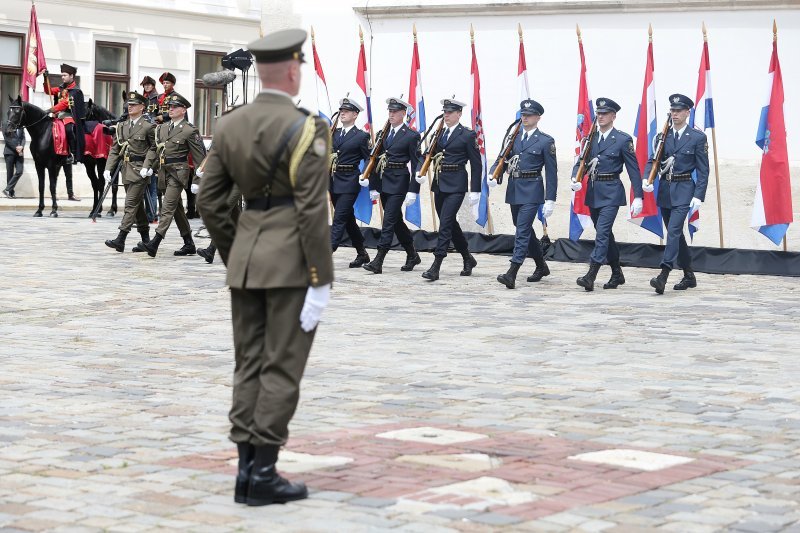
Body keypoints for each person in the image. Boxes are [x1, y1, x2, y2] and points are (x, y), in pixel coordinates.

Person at [197, 28, 333, 506]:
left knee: (248, 362)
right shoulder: (308, 126)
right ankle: (265, 474)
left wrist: (238, 249)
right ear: (293, 71)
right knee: (282, 365)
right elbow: (313, 209)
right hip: (292, 263)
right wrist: (321, 277)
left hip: (247, 258)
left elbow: (209, 201)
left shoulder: (230, 124)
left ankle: (243, 472)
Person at [570, 97, 643, 291]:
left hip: (611, 191)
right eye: (598, 113)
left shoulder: (622, 139)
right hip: (594, 191)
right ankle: (617, 273)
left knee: (601, 232)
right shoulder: (590, 138)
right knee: (606, 235)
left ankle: (591, 274)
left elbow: (633, 169)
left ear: (613, 116)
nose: (600, 117)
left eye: (604, 114)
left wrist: (638, 196)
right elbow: (581, 162)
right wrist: (575, 178)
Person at [644, 93, 709, 294]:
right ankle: (689, 275)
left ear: (687, 112)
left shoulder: (697, 137)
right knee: (676, 235)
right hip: (665, 190)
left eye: (679, 110)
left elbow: (703, 169)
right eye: (672, 110)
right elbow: (652, 161)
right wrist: (647, 179)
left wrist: (699, 195)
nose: (675, 114)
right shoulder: (662, 137)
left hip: (684, 190)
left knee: (672, 231)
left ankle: (663, 273)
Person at [490, 99, 557, 289]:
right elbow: (502, 157)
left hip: (532, 189)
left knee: (521, 230)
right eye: (523, 115)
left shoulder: (545, 141)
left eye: (529, 115)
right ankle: (541, 266)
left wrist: (550, 198)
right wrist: (493, 173)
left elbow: (552, 172)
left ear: (538, 117)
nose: (525, 118)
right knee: (523, 228)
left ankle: (512, 271)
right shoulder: (514, 137)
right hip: (514, 188)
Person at [414, 97, 480, 281]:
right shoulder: (439, 133)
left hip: (457, 184)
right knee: (449, 223)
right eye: (445, 112)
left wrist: (475, 190)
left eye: (450, 112)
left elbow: (476, 164)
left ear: (459, 114)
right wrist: (420, 170)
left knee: (445, 224)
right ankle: (467, 257)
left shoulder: (467, 135)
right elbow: (428, 154)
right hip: (439, 183)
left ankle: (436, 265)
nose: (446, 115)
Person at [362, 97, 421, 274]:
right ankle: (412, 255)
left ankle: (378, 260)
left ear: (403, 114)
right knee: (396, 221)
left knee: (388, 221)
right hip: (383, 180)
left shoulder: (411, 136)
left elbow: (417, 163)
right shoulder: (382, 134)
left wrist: (413, 190)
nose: (392, 114)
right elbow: (374, 160)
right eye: (390, 111)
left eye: (395, 111)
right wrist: (373, 185)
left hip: (399, 181)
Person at [142, 93, 206, 257]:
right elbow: (156, 150)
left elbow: (200, 158)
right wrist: (148, 166)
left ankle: (155, 241)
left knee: (167, 206)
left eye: (174, 107)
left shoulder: (190, 130)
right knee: (176, 208)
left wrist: (198, 180)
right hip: (163, 172)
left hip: (178, 173)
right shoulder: (162, 128)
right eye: (169, 107)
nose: (170, 109)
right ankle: (189, 243)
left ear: (183, 110)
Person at [103, 92, 157, 252]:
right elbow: (115, 149)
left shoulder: (148, 126)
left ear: (142, 107)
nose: (130, 106)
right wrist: (108, 168)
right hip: (126, 169)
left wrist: (148, 166)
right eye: (129, 104)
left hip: (140, 170)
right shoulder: (122, 126)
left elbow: (155, 148)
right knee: (137, 206)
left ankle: (121, 239)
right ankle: (146, 240)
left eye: (133, 104)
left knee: (130, 204)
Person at [330, 97, 371, 268]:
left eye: (346, 111)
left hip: (349, 181)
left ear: (355, 114)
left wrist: (365, 175)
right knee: (348, 219)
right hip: (333, 180)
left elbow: (369, 158)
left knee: (339, 218)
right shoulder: (333, 133)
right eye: (341, 110)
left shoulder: (361, 136)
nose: (342, 113)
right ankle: (362, 253)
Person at [46, 63, 86, 167]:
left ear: (72, 76)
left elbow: (64, 103)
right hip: (59, 116)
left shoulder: (76, 91)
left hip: (70, 116)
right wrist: (45, 79)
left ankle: (72, 154)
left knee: (68, 129)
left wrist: (51, 109)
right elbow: (48, 91)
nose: (62, 77)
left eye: (65, 75)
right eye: (62, 75)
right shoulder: (61, 89)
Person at [3, 125, 25, 198]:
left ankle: (7, 189)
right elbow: (7, 140)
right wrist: (16, 147)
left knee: (20, 171)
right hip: (9, 153)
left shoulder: (21, 127)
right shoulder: (7, 126)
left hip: (20, 153)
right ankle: (10, 192)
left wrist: (22, 146)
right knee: (10, 173)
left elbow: (23, 138)